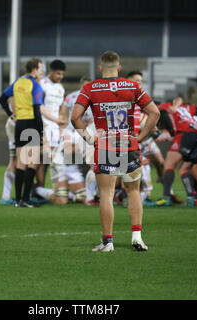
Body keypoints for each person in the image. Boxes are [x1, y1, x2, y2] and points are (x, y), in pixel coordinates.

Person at [71, 51, 160, 252]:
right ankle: (137, 237)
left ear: (100, 68)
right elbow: (155, 112)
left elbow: (75, 117)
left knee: (106, 194)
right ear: (119, 68)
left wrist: (89, 138)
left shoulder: (90, 88)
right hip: (129, 145)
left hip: (105, 146)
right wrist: (140, 137)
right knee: (134, 191)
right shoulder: (133, 86)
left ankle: (108, 242)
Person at [0, 58, 64, 208]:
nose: (42, 72)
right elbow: (36, 110)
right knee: (32, 164)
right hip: (32, 123)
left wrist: (11, 115)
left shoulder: (18, 82)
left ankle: (17, 200)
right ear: (34, 70)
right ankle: (26, 199)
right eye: (41, 69)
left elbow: (2, 99)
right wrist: (40, 131)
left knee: (21, 163)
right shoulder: (36, 86)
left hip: (20, 124)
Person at [34, 76, 91, 204]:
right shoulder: (71, 131)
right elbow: (67, 151)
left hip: (72, 168)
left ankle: (70, 192)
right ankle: (38, 190)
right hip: (60, 166)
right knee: (61, 200)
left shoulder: (95, 104)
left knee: (84, 198)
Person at [36, 60, 67, 190]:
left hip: (55, 127)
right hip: (43, 124)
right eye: (58, 73)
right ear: (51, 71)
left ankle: (53, 190)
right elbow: (38, 106)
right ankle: (40, 188)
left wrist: (61, 127)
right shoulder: (41, 85)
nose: (60, 76)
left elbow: (60, 109)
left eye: (62, 74)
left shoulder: (61, 88)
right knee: (42, 160)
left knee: (51, 161)